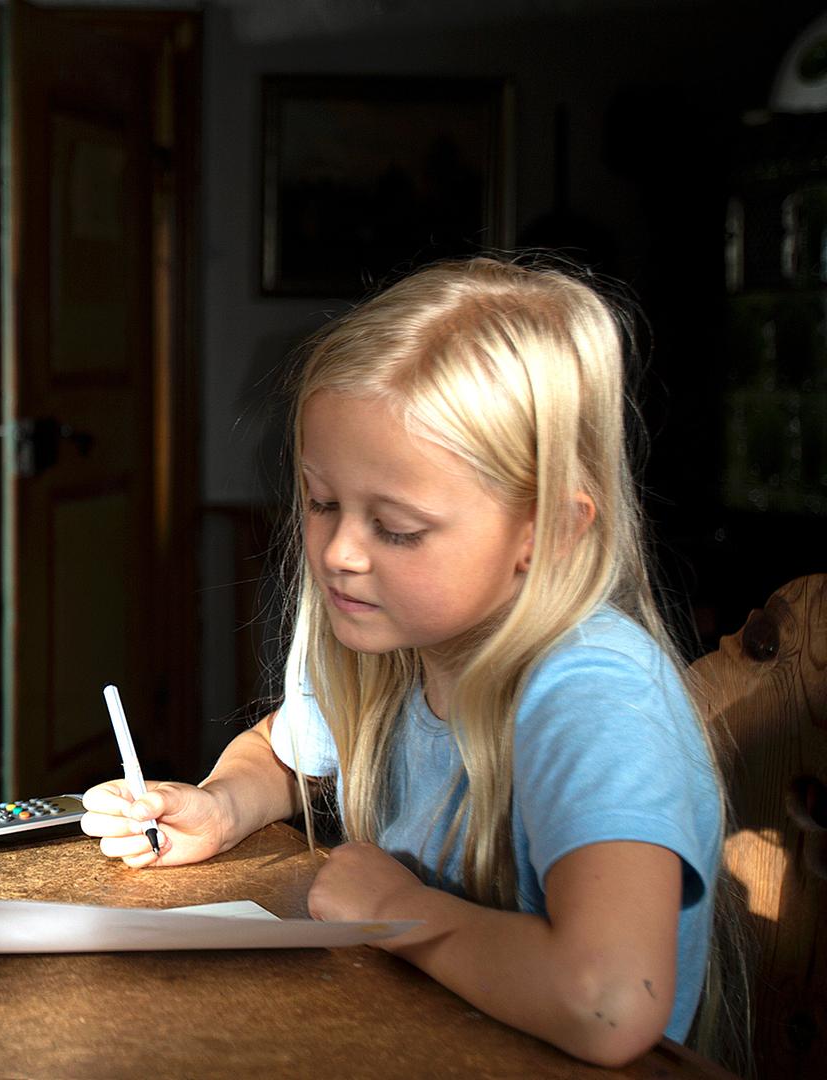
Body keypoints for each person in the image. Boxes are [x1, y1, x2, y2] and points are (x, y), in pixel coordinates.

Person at [82, 258, 735, 1066]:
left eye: (397, 527)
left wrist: (400, 911)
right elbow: (283, 756)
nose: (340, 553)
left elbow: (607, 1004)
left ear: (551, 532)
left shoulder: (594, 693)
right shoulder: (392, 644)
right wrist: (219, 805)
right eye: (322, 503)